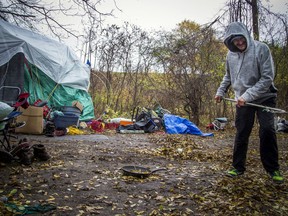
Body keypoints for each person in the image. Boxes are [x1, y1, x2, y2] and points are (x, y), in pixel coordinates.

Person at [215, 22, 283, 184]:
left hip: (265, 97)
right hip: (243, 101)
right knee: (242, 132)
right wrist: (220, 91)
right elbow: (228, 76)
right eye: (234, 41)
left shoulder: (261, 49)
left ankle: (273, 169)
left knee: (267, 130)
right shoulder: (230, 55)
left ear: (246, 35)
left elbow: (267, 78)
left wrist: (248, 95)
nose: (239, 43)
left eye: (240, 38)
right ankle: (238, 167)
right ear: (230, 42)